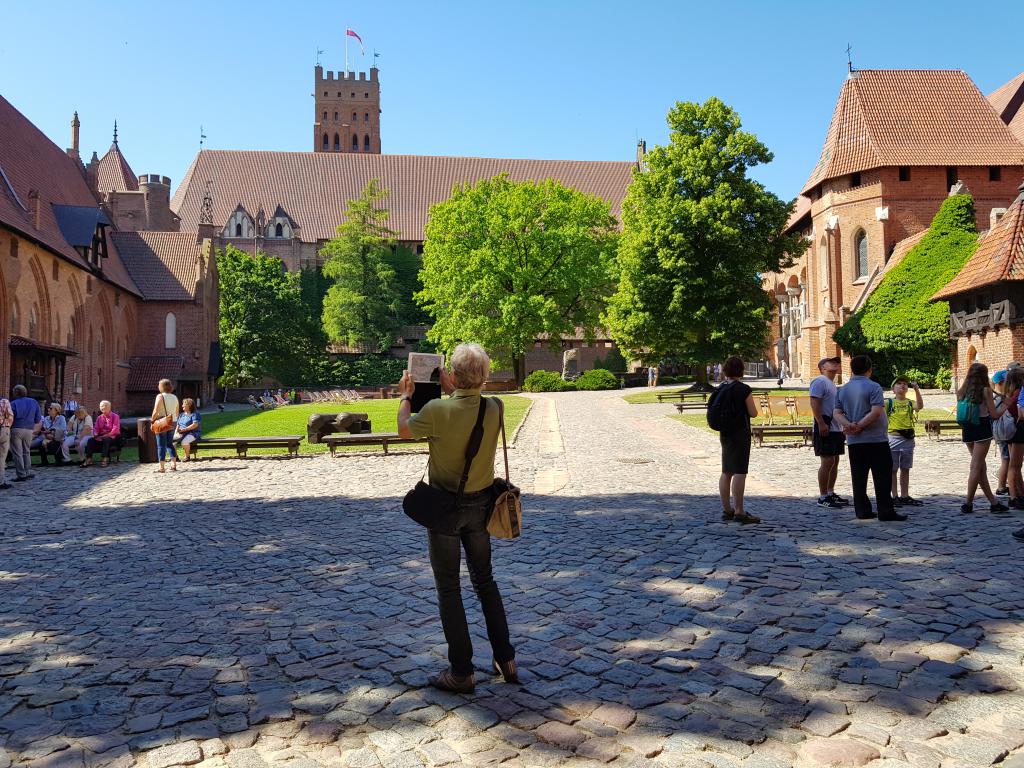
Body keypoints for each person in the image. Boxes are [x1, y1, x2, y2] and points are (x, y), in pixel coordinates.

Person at [396, 343, 516, 693]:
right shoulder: (496, 407)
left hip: (445, 510)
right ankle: (505, 658)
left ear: (453, 375)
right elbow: (470, 404)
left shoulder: (436, 410)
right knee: (485, 582)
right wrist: (458, 388)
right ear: (486, 376)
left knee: (449, 589)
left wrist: (405, 396)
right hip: (482, 507)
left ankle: (461, 672)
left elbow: (405, 428)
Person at [833, 355, 907, 521]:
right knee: (882, 477)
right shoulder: (874, 387)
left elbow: (836, 413)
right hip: (876, 439)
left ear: (851, 369)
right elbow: (876, 411)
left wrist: (849, 425)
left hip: (854, 441)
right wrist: (859, 425)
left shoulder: (843, 389)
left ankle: (862, 510)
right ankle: (885, 511)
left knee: (858, 477)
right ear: (869, 369)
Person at [955, 362, 1009, 514]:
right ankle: (968, 503)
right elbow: (994, 415)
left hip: (968, 429)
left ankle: (993, 502)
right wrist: (1005, 404)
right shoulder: (985, 391)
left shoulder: (961, 390)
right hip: (982, 429)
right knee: (976, 467)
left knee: (981, 468)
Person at [716, 356, 760, 524]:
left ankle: (727, 509)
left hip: (725, 433)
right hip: (740, 433)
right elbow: (753, 412)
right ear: (741, 370)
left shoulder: (720, 388)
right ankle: (740, 510)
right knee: (740, 471)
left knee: (726, 471)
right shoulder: (743, 389)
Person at [810, 357, 848, 509]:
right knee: (827, 461)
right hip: (825, 426)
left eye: (836, 362)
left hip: (835, 427)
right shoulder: (820, 381)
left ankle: (831, 492)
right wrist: (820, 423)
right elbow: (814, 402)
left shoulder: (831, 384)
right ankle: (823, 496)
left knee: (835, 461)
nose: (835, 364)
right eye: (830, 362)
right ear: (822, 368)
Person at [887, 377, 924, 506]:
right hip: (893, 438)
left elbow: (920, 406)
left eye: (904, 384)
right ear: (893, 389)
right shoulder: (889, 403)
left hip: (907, 439)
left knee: (905, 468)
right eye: (899, 384)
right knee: (892, 469)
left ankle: (904, 495)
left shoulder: (909, 403)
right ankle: (894, 495)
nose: (902, 386)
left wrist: (917, 390)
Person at [9, 385, 42, 482]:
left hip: (16, 428)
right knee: (26, 451)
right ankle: (27, 472)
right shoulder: (33, 402)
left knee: (17, 452)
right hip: (29, 430)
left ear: (15, 393)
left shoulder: (13, 403)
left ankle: (21, 474)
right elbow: (38, 418)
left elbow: (10, 417)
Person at [152, 379, 180, 473]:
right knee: (169, 444)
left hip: (162, 421)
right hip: (173, 421)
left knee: (161, 445)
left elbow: (156, 411)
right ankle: (173, 464)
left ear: (161, 386)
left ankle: (162, 467)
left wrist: (152, 420)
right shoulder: (175, 397)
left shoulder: (160, 396)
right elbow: (177, 412)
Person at [82, 401, 121, 468]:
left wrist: (106, 435)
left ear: (109, 407)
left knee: (106, 440)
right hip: (101, 436)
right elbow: (96, 428)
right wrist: (95, 434)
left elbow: (115, 429)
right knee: (90, 440)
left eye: (104, 406)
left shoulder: (115, 416)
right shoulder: (99, 418)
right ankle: (89, 459)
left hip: (112, 437)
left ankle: (104, 458)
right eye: (101, 406)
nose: (102, 407)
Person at [993, 370, 1011, 497]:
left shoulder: (994, 397)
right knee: (1006, 459)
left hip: (1001, 432)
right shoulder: (999, 398)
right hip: (1004, 432)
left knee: (1007, 459)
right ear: (1000, 383)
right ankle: (1001, 487)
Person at [0, 395, 12, 490]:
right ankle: (1, 481)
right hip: (3, 429)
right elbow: (10, 417)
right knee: (1, 457)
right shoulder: (4, 401)